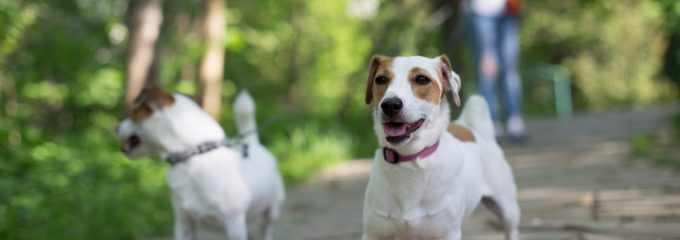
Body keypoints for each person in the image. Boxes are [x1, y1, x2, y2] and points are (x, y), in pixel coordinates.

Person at [464, 0, 526, 141]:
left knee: (510, 69)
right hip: (480, 13)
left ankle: (514, 119)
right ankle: (491, 122)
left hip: (508, 12)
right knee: (487, 71)